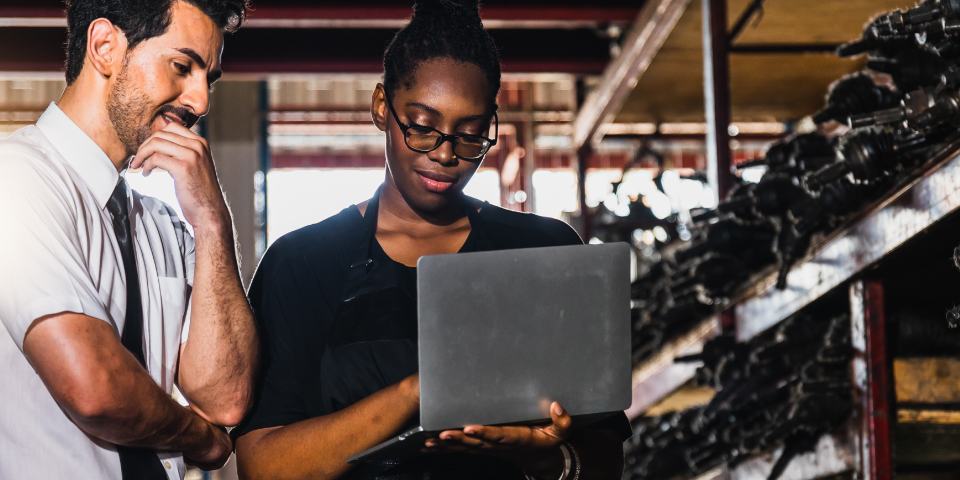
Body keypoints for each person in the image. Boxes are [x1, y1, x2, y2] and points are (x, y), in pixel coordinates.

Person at [232, 1, 631, 479]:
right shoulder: (303, 263)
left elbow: (606, 459)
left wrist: (541, 455)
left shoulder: (546, 251)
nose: (444, 153)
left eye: (471, 134)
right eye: (422, 127)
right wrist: (418, 393)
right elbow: (264, 466)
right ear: (383, 107)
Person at [0, 1, 258, 479]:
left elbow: (225, 399)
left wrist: (212, 220)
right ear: (104, 47)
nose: (200, 101)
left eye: (210, 79)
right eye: (182, 66)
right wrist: (199, 439)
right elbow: (94, 388)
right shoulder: (13, 179)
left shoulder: (163, 225)